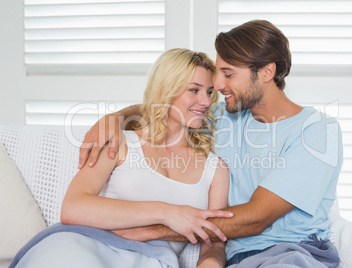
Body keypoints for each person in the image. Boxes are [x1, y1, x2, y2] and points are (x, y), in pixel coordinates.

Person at [79, 20, 343, 267]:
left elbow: (257, 218)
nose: (216, 85)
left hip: (292, 252)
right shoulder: (226, 116)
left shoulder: (317, 131)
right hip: (238, 257)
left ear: (267, 72)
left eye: (228, 74)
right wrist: (115, 118)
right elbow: (169, 107)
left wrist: (152, 230)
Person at [11, 48, 233, 268]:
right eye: (194, 90)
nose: (205, 101)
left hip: (153, 260)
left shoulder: (214, 169)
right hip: (82, 245)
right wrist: (167, 212)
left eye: (210, 92)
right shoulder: (120, 142)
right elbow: (73, 208)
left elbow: (213, 242)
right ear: (166, 90)